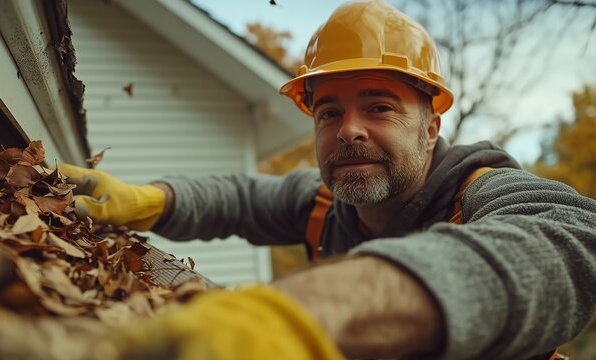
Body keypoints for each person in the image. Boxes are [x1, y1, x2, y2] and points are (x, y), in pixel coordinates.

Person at [59, 1, 596, 359]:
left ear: (430, 129)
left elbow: (575, 239)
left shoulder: (480, 191)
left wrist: (322, 308)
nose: (349, 131)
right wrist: (150, 199)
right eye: (328, 113)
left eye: (379, 107)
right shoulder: (324, 206)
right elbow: (240, 197)